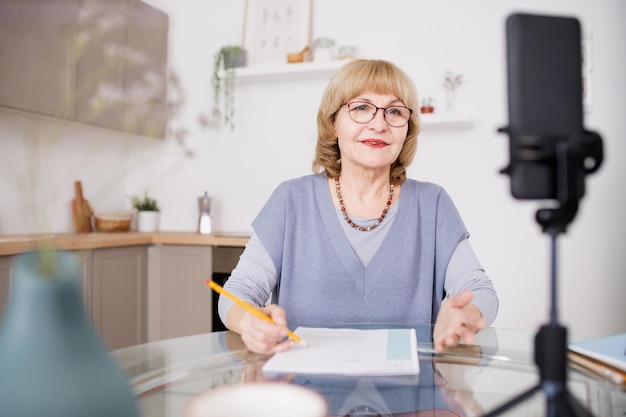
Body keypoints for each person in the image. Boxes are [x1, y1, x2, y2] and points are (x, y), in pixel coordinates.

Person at [218, 59, 498, 355]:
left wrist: (466, 316)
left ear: (407, 130)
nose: (379, 124)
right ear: (333, 122)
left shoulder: (433, 205)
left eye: (394, 111)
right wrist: (250, 321)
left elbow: (480, 290)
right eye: (361, 108)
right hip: (303, 393)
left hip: (410, 395)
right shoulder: (291, 200)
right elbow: (237, 293)